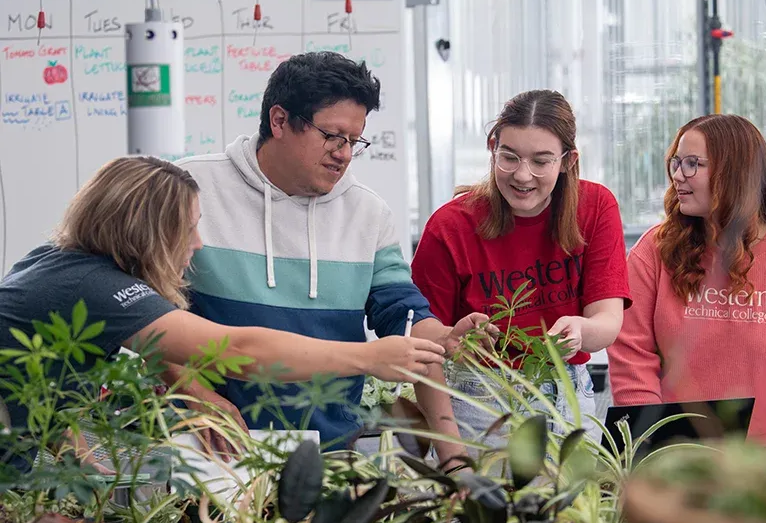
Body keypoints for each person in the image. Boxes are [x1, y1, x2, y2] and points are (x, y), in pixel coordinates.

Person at [0, 156, 449, 469]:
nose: (196, 243)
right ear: (146, 231)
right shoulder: (96, 286)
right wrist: (368, 358)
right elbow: (238, 349)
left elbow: (49, 390)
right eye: (189, 227)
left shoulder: (62, 263)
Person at [175, 51, 487, 462]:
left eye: (354, 142)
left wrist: (444, 338)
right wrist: (194, 394)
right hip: (210, 448)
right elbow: (145, 319)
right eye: (332, 136)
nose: (343, 153)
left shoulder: (367, 213)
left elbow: (402, 312)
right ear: (280, 121)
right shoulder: (191, 190)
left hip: (331, 451)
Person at [606, 114, 766, 445]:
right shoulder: (653, 251)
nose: (678, 175)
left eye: (693, 164)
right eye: (676, 163)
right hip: (673, 454)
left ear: (735, 174)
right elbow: (631, 356)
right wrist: (651, 446)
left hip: (765, 456)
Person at [411, 89, 632, 441]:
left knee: (576, 497)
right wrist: (455, 339)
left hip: (567, 397)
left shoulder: (596, 207)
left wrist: (579, 331)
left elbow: (607, 320)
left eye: (541, 161)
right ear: (492, 147)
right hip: (478, 403)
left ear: (568, 160)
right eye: (509, 157)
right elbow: (420, 339)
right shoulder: (450, 226)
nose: (523, 176)